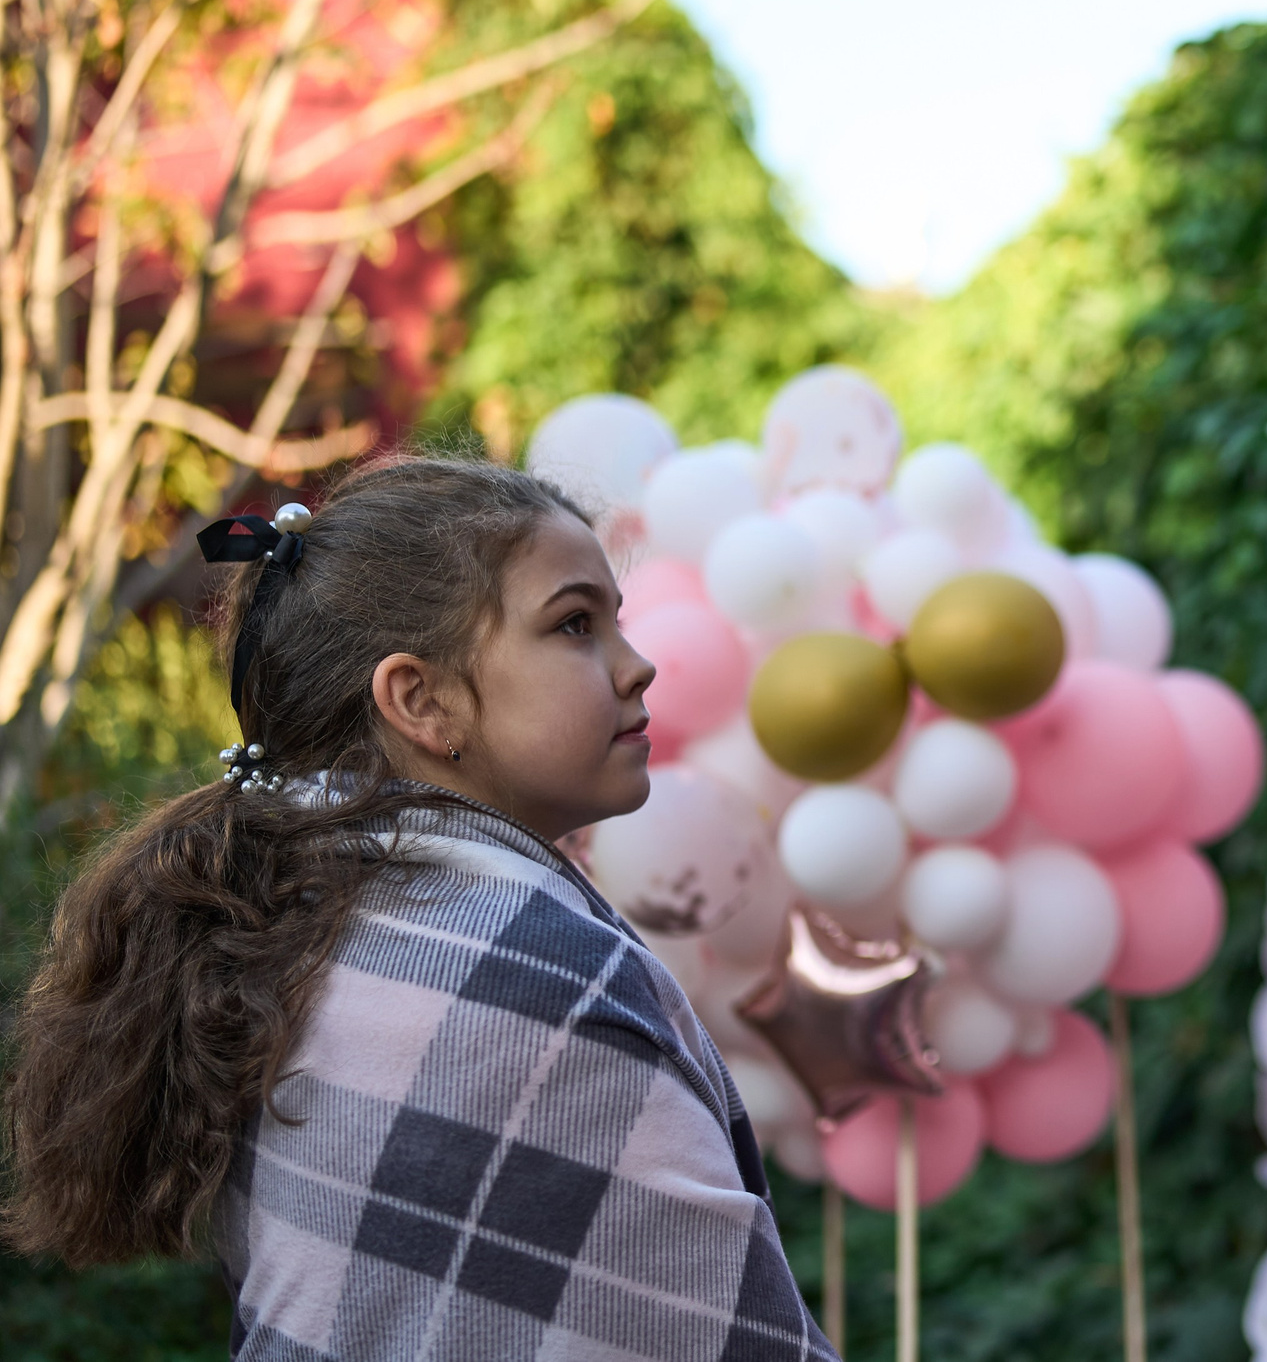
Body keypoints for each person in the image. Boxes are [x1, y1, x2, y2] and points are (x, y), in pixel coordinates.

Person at [3, 458, 835, 1362]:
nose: (638, 666)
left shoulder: (301, 918)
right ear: (421, 699)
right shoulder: (531, 974)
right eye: (574, 624)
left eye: (616, 622)